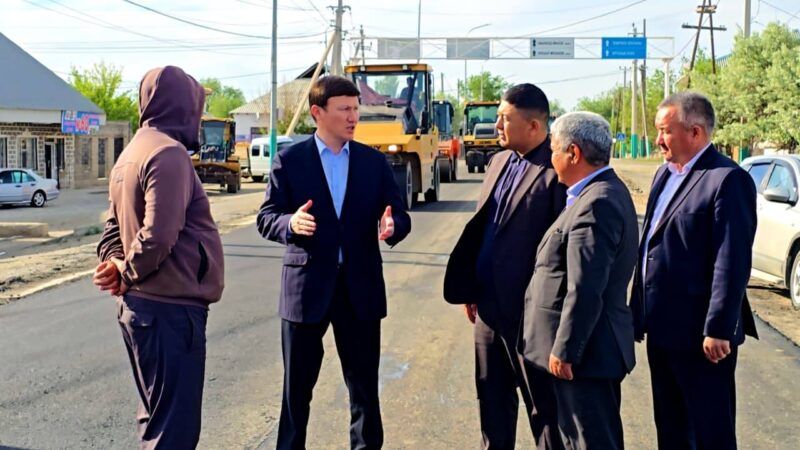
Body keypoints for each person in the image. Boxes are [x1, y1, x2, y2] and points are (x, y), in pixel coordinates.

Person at [256, 75, 411, 450]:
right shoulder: (290, 161)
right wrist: (290, 224)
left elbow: (399, 214)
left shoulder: (373, 163)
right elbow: (267, 217)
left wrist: (393, 225)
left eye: (356, 109)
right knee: (296, 392)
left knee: (364, 391)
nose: (353, 117)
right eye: (344, 109)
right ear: (317, 113)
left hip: (360, 290)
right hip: (306, 290)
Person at [93, 65, 225, 449]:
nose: (199, 114)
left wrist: (115, 264)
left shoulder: (131, 153)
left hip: (143, 308)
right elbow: (158, 234)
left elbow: (112, 229)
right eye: (197, 104)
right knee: (174, 431)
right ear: (182, 104)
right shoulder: (168, 153)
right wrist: (126, 272)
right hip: (169, 310)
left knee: (156, 421)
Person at [630, 91, 758, 450]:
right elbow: (650, 245)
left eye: (665, 131)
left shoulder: (726, 179)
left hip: (702, 338)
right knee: (670, 429)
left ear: (695, 132)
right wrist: (638, 311)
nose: (658, 140)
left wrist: (718, 327)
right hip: (662, 328)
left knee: (710, 432)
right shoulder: (663, 175)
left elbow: (731, 260)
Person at [444, 83, 566, 450]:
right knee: (492, 403)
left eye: (505, 118)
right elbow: (486, 230)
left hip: (531, 316)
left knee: (545, 411)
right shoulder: (498, 162)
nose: (496, 125)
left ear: (533, 125)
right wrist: (472, 288)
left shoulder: (557, 170)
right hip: (488, 311)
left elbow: (561, 251)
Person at [521, 112, 638, 450]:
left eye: (553, 149)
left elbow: (585, 287)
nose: (550, 158)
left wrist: (566, 349)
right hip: (585, 354)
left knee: (591, 442)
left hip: (586, 357)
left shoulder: (597, 202)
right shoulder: (594, 194)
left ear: (573, 153)